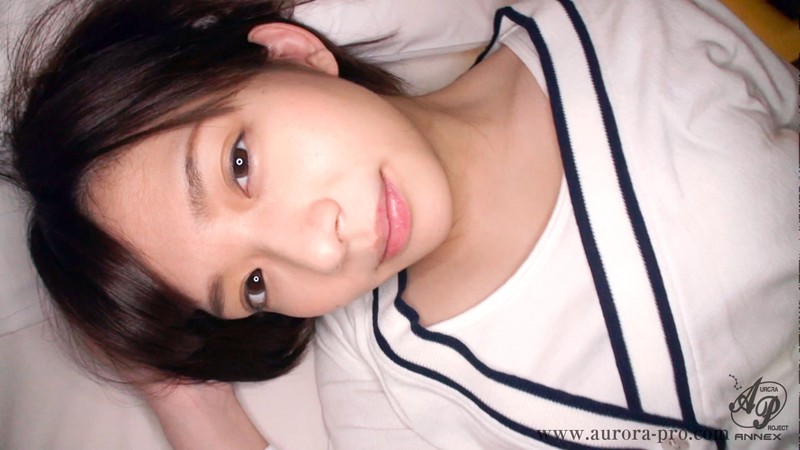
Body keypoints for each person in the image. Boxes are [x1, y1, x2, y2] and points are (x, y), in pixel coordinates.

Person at [1, 0, 796, 448]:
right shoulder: (398, 379)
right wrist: (177, 387)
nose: (320, 249)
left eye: (239, 165)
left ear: (289, 52)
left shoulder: (615, 25)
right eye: (253, 286)